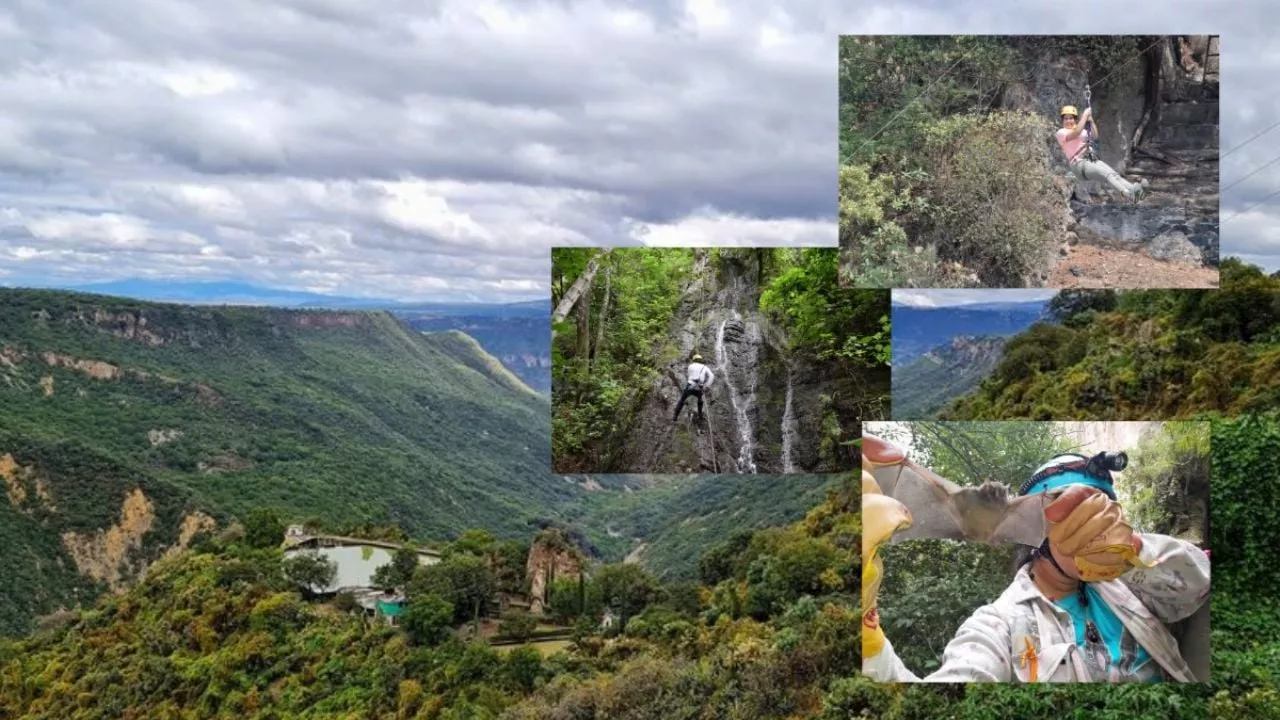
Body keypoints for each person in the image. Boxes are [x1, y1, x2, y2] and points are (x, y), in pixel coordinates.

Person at [862, 439, 1209, 683]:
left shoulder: (1131, 588)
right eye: (1073, 512)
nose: (1093, 530)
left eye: (1105, 517)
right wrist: (869, 643)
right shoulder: (1000, 625)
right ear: (1039, 522)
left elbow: (1201, 582)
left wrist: (1132, 550)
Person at [1054, 105, 1149, 202]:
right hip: (1078, 164)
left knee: (1114, 175)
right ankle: (1129, 195)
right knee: (1107, 174)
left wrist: (1091, 121)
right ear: (1062, 120)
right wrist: (1085, 115)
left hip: (1089, 160)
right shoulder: (1061, 132)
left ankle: (1137, 191)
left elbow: (1094, 135)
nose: (1068, 121)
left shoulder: (1082, 131)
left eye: (1071, 118)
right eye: (1066, 119)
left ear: (1075, 120)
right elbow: (1076, 133)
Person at [672, 353, 714, 422]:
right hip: (699, 387)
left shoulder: (690, 366)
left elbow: (689, 375)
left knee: (682, 400)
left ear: (694, 360)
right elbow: (711, 376)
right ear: (700, 360)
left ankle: (675, 416)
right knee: (700, 401)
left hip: (690, 385)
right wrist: (706, 386)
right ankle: (700, 416)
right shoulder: (705, 367)